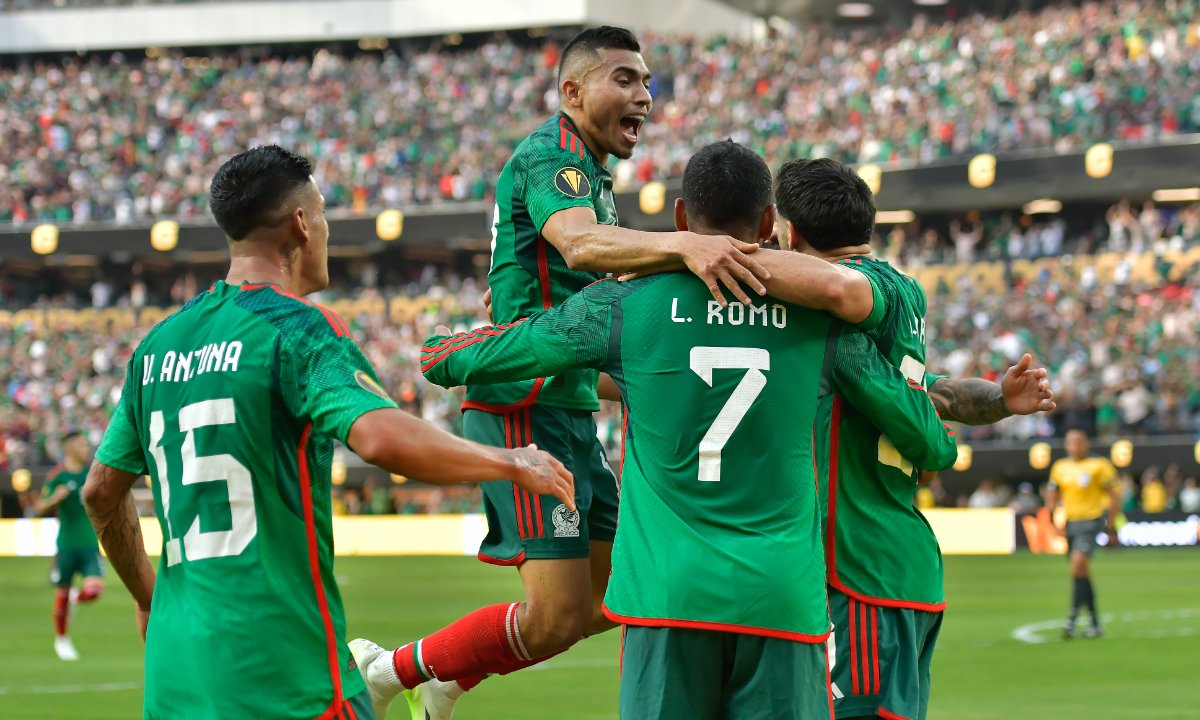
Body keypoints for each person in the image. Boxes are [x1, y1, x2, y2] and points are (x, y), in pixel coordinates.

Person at [354, 140, 958, 719]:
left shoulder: (621, 306)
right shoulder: (820, 322)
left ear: (677, 217)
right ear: (770, 221)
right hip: (781, 601)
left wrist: (489, 328)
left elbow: (444, 360)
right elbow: (920, 427)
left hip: (666, 596)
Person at [349, 27, 771, 720]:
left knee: (623, 595)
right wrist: (687, 245)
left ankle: (445, 672)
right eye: (625, 79)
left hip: (567, 405)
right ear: (572, 91)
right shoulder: (556, 157)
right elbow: (576, 241)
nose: (645, 95)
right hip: (525, 403)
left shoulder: (588, 173)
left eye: (646, 82)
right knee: (554, 617)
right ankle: (391, 670)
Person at [81, 145, 575, 720]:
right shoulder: (296, 328)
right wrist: (512, 462)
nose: (326, 232)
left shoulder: (157, 346)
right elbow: (382, 439)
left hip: (175, 684)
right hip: (287, 680)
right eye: (322, 216)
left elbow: (99, 492)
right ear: (300, 224)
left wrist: (149, 598)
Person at [773, 158, 1055, 720]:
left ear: (792, 233)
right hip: (900, 561)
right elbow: (928, 395)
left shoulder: (853, 296)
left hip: (858, 568)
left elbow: (842, 289)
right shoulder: (907, 294)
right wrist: (998, 400)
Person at [35, 431, 104, 661]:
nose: (87, 449)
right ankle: (62, 640)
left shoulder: (91, 473)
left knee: (94, 591)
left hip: (90, 543)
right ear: (70, 448)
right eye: (82, 445)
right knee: (61, 591)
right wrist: (55, 499)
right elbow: (39, 507)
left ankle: (77, 598)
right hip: (66, 544)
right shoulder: (57, 476)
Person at [1046, 428, 1120, 639]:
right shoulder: (1060, 467)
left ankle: (1072, 618)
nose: (1075, 446)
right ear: (1067, 445)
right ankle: (1095, 623)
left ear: (1086, 443)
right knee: (1080, 572)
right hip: (1071, 524)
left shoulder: (1099, 466)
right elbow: (1052, 492)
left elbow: (1113, 496)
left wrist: (1111, 525)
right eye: (1071, 442)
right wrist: (1053, 518)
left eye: (1079, 441)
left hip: (1091, 521)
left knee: (1078, 563)